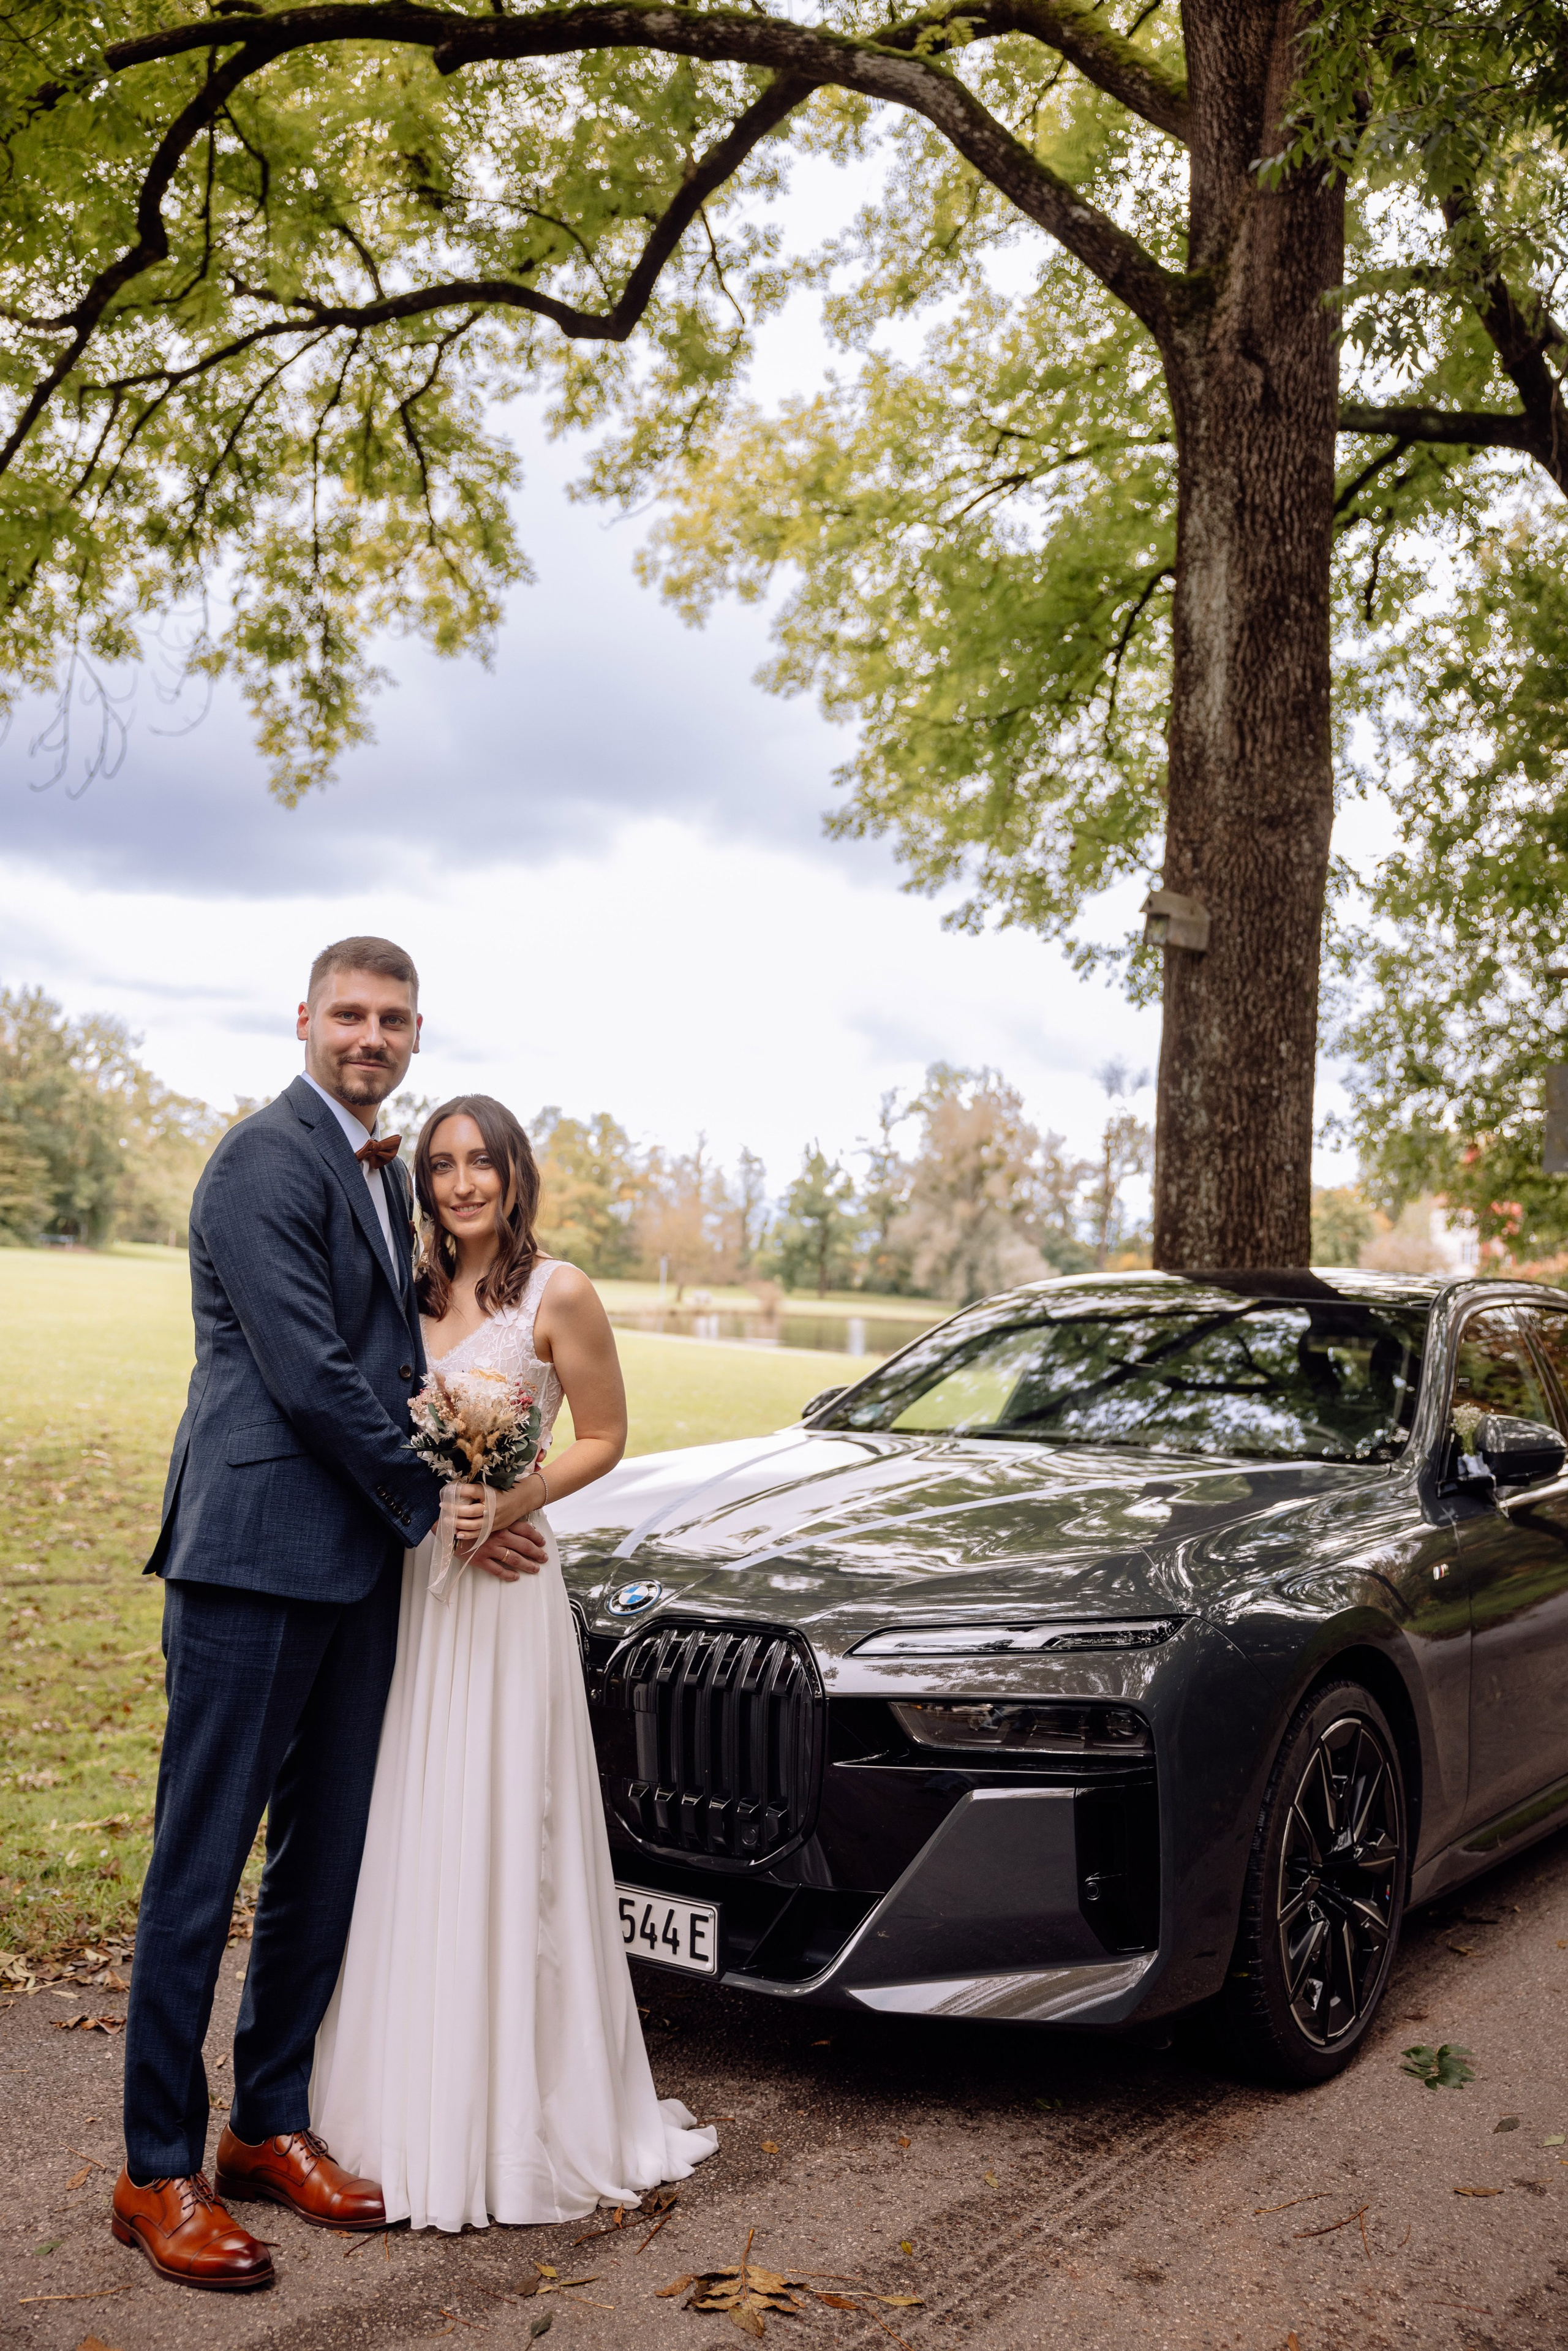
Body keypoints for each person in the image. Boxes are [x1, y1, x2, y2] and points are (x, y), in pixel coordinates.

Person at [114, 942, 548, 2292]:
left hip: (359, 1567)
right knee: (201, 1865)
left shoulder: (384, 1174)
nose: (370, 1034)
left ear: (416, 1034)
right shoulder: (263, 1158)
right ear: (304, 1018)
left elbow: (400, 1354)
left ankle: (267, 2123)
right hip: (254, 1555)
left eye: (393, 1018)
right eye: (349, 1013)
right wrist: (443, 1506)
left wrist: (457, 1487)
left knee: (325, 1858)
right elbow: (306, 1370)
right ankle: (155, 2166)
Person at [310, 1095, 717, 2230]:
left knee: (500, 1816)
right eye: (441, 1164)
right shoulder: (406, 1291)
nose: (460, 1182)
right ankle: (400, 2095)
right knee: (411, 1816)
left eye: (480, 1161)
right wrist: (439, 1512)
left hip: (505, 1595)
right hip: (418, 1587)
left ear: (514, 1173)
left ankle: (513, 2110)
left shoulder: (558, 1292)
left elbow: (606, 1434)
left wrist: (512, 1499)